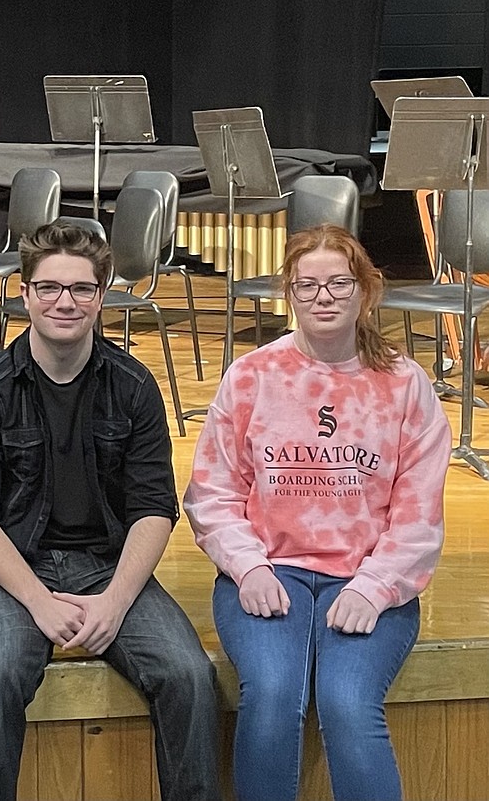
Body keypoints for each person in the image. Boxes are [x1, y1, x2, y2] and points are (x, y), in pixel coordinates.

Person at [0, 220, 221, 801]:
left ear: (102, 296)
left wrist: (116, 602)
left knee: (189, 675)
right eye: (48, 287)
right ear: (24, 294)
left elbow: (153, 507)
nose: (63, 301)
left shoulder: (133, 384)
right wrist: (38, 601)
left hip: (106, 564)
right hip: (16, 569)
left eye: (80, 289)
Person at [184, 224, 452, 801]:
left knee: (349, 703)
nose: (322, 297)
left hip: (365, 579)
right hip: (266, 572)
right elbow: (212, 493)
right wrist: (248, 567)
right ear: (290, 293)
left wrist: (375, 587)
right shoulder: (252, 375)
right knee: (274, 695)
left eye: (338, 282)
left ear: (365, 290)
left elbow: (419, 514)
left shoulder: (404, 384)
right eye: (307, 286)